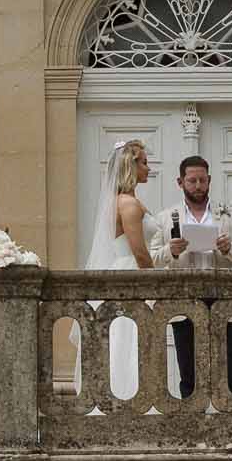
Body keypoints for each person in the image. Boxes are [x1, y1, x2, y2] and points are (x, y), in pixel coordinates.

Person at [148, 154, 232, 397]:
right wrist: (170, 252)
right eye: (192, 181)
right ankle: (192, 426)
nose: (198, 187)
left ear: (210, 181)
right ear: (180, 182)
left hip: (222, 299)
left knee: (229, 370)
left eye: (203, 181)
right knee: (188, 373)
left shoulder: (230, 214)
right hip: (183, 301)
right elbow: (151, 259)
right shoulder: (165, 217)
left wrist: (230, 249)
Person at [75, 139, 153, 402]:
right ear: (130, 167)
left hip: (124, 268)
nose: (148, 167)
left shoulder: (120, 202)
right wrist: (158, 282)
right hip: (132, 272)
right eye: (143, 162)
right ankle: (127, 394)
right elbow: (140, 252)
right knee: (129, 337)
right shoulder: (128, 205)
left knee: (126, 336)